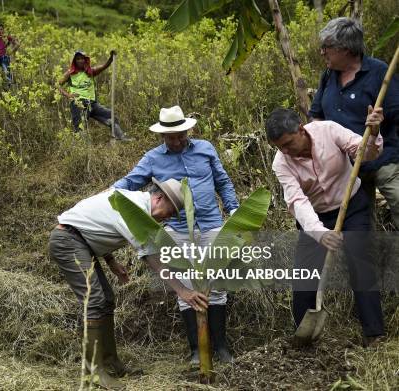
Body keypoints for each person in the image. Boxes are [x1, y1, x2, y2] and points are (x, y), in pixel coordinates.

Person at [49, 178, 208, 388]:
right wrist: (182, 290)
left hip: (82, 242)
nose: (166, 219)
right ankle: (94, 373)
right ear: (159, 198)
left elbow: (97, 224)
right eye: (169, 212)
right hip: (67, 241)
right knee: (94, 300)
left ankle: (111, 363)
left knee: (106, 300)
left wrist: (111, 260)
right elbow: (152, 259)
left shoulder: (133, 202)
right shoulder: (134, 208)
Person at [113, 105, 238, 365]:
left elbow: (223, 182)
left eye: (182, 134)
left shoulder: (205, 148)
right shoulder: (152, 159)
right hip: (177, 230)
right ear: (162, 136)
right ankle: (196, 350)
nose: (178, 140)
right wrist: (107, 198)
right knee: (187, 288)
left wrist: (234, 207)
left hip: (212, 224)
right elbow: (127, 184)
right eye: (172, 137)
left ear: (187, 130)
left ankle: (222, 348)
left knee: (216, 286)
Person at [267, 107, 385, 347]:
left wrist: (373, 134)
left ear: (300, 129)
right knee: (304, 275)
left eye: (288, 144)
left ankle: (374, 333)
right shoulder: (281, 163)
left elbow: (364, 152)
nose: (285, 151)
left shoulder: (328, 130)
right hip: (314, 217)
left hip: (350, 206)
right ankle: (304, 338)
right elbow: (297, 202)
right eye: (280, 147)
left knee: (360, 263)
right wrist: (320, 233)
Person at [309, 17, 399, 225]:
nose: (322, 52)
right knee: (360, 223)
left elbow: (396, 113)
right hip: (347, 167)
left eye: (327, 47)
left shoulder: (378, 72)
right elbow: (317, 116)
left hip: (383, 160)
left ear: (346, 49)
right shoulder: (328, 76)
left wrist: (380, 121)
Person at [57, 50, 130, 141]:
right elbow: (57, 85)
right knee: (80, 128)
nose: (80, 61)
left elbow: (104, 66)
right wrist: (68, 95)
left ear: (85, 60)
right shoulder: (70, 73)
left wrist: (111, 58)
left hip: (92, 104)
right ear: (74, 61)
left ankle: (121, 138)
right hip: (78, 104)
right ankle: (83, 150)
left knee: (110, 115)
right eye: (78, 59)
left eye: (82, 58)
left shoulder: (90, 72)